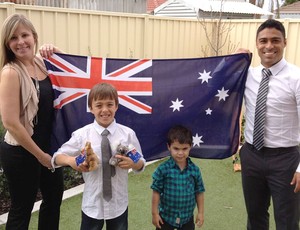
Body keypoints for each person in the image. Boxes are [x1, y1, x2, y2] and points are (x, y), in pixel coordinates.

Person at [51, 82, 146, 230]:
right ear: (91, 108)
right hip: (92, 204)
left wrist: (134, 164)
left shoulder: (127, 134)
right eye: (99, 105)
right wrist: (71, 161)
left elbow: (140, 162)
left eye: (110, 104)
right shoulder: (82, 135)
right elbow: (57, 157)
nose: (105, 110)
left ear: (116, 106)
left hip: (118, 204)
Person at [0, 14, 64, 229]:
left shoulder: (42, 63)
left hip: (50, 146)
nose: (20, 42)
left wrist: (55, 51)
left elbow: (69, 76)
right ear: (7, 44)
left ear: (34, 36)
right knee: (22, 209)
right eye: (13, 38)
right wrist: (41, 156)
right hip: (22, 151)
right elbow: (10, 122)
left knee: (53, 200)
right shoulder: (11, 72)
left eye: (25, 35)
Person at [238, 19, 300, 230]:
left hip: (286, 161)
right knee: (255, 218)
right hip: (252, 156)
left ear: (285, 42)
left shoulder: (296, 77)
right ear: (256, 43)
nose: (269, 46)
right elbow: (216, 83)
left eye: (275, 40)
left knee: (287, 221)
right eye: (263, 40)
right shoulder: (247, 75)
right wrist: (233, 59)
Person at [151, 125, 205, 230]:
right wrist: (154, 214)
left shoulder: (195, 170)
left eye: (185, 148)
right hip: (165, 219)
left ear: (190, 147)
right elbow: (156, 192)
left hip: (187, 219)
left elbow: (199, 192)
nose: (180, 153)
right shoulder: (163, 169)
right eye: (176, 148)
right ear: (169, 147)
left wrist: (201, 213)